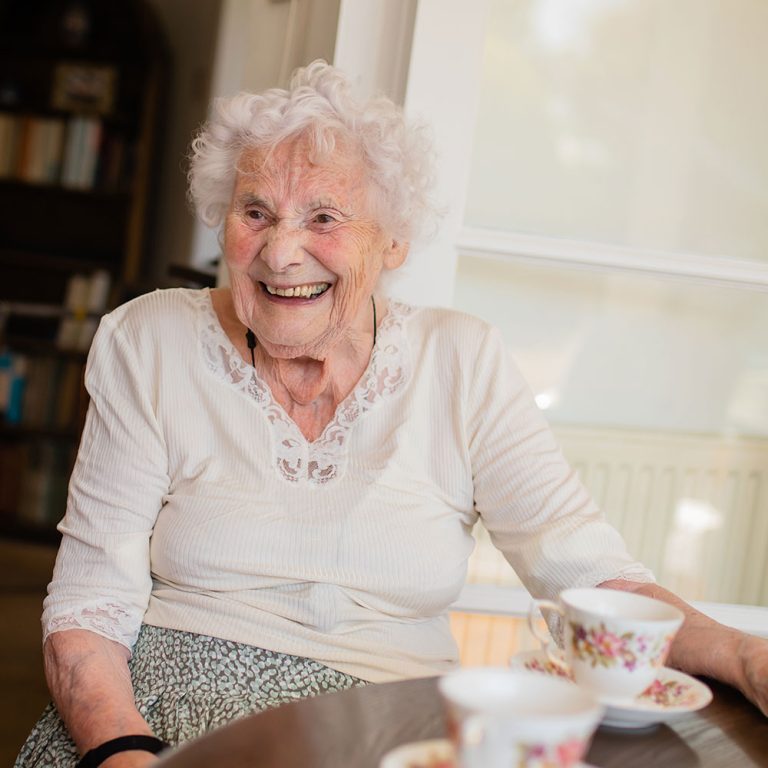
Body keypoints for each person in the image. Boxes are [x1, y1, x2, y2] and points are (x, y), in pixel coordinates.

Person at [16, 60, 767, 768]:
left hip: (386, 730)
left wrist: (744, 655)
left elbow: (592, 576)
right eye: (256, 212)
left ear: (394, 241)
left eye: (323, 218)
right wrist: (123, 751)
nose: (281, 253)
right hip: (159, 716)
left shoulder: (462, 361)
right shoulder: (151, 340)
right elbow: (90, 604)